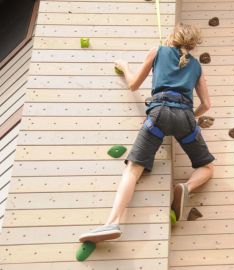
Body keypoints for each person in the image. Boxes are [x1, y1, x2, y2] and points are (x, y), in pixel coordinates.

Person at [79, 23, 215, 243]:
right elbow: (207, 105)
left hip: (159, 115)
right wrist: (190, 117)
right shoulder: (197, 66)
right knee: (207, 168)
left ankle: (112, 222)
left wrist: (124, 66)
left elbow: (134, 85)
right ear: (192, 43)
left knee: (133, 169)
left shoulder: (158, 51)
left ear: (172, 37)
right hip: (186, 118)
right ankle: (186, 187)